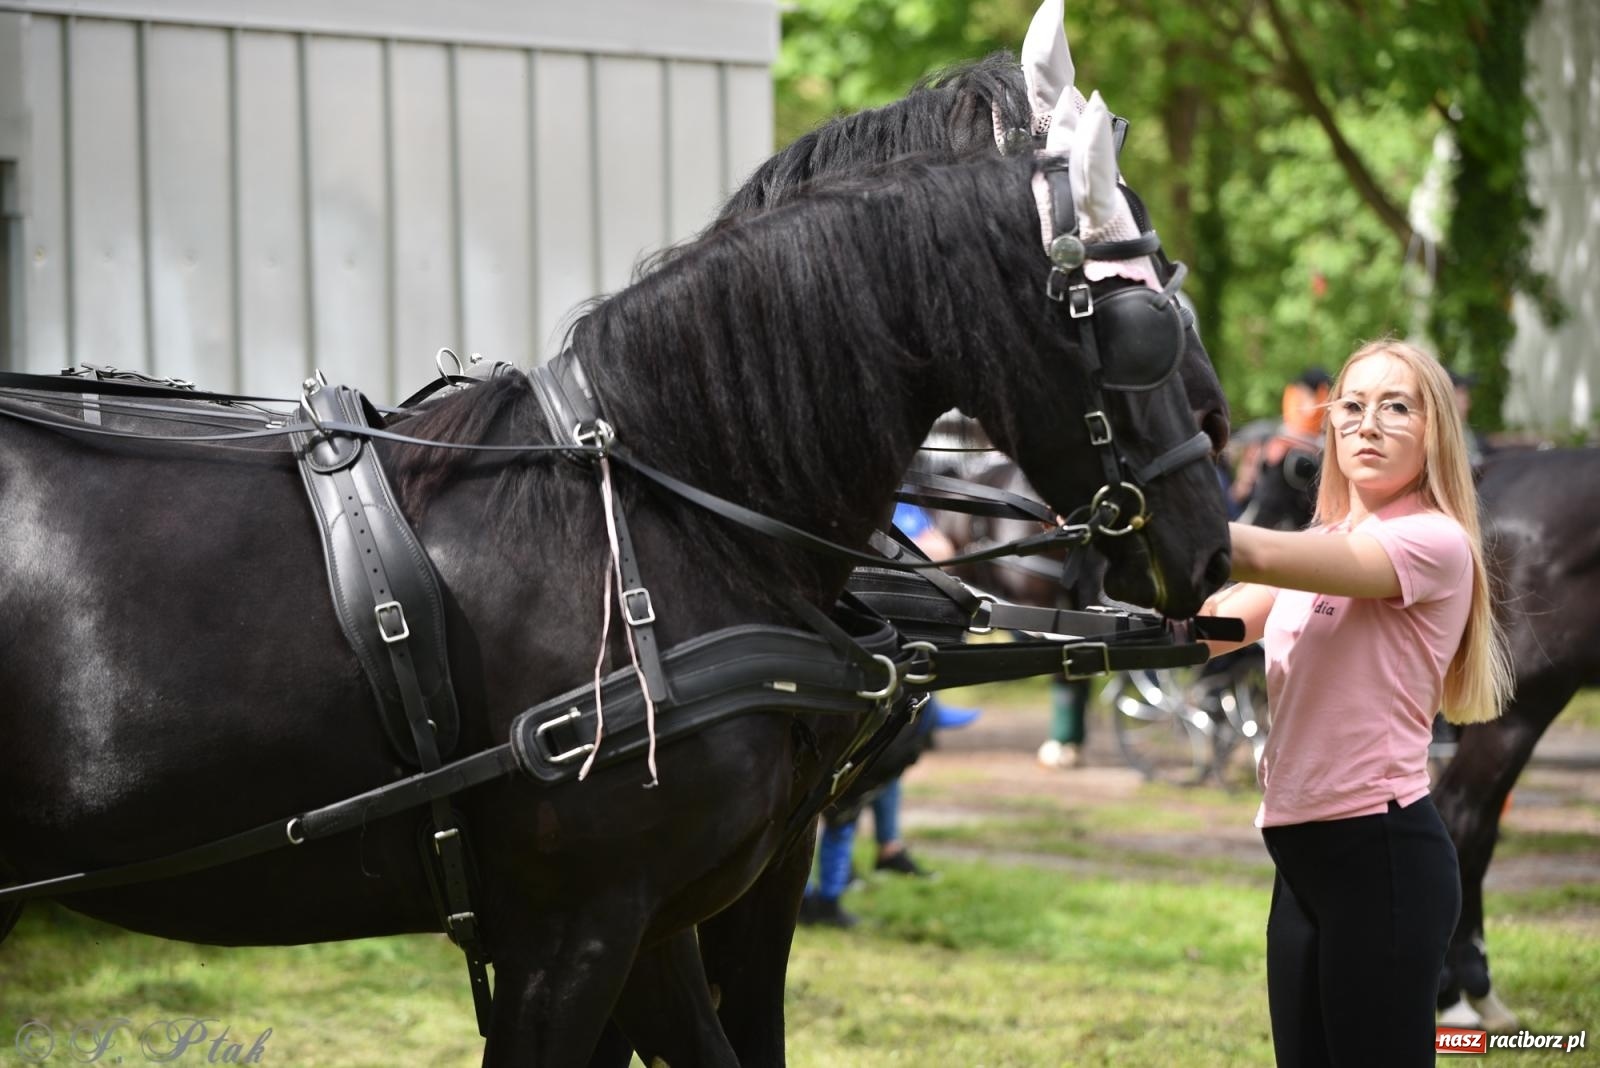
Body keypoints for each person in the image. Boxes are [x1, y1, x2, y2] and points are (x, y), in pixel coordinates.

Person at [1200, 338, 1511, 1066]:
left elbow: (1266, 556)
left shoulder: (1433, 542)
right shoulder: (1328, 539)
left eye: (1395, 407)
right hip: (1302, 858)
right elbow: (1207, 630)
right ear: (1332, 426)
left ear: (1434, 431)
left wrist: (1168, 519)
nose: (1367, 423)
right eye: (1353, 405)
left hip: (1382, 859)